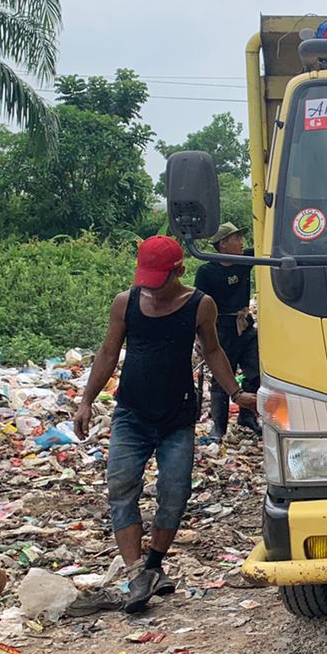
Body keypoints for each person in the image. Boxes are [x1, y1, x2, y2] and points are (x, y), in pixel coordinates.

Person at [73, 236, 259, 612]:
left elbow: (213, 351)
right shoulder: (126, 303)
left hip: (177, 416)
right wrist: (86, 400)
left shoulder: (199, 305)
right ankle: (135, 572)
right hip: (131, 414)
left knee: (174, 493)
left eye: (158, 277)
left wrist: (236, 393)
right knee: (121, 487)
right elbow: (109, 352)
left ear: (178, 271)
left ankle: (154, 564)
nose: (150, 286)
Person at [194, 222, 261, 438]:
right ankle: (219, 426)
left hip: (245, 325)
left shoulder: (245, 261)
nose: (242, 242)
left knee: (255, 371)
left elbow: (267, 248)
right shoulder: (207, 271)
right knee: (223, 377)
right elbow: (198, 305)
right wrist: (199, 336)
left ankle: (247, 417)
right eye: (236, 238)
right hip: (221, 328)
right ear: (223, 244)